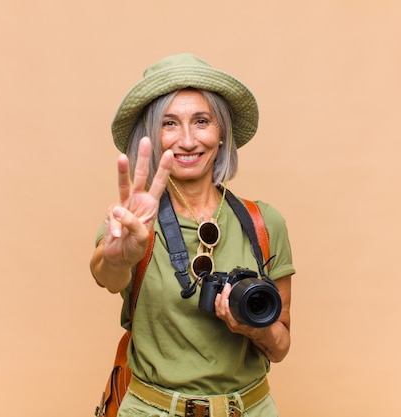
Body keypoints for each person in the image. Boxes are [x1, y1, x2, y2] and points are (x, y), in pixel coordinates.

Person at [90, 53, 295, 417]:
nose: (187, 140)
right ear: (151, 137)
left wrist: (250, 328)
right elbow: (108, 275)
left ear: (221, 135)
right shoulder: (133, 221)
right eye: (169, 123)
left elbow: (279, 347)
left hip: (249, 409)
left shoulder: (264, 222)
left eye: (201, 121)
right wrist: (119, 254)